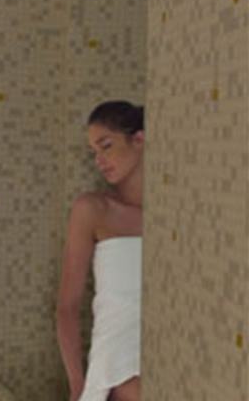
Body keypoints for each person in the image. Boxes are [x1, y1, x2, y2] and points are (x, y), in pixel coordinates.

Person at [56, 101, 145, 401]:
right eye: (94, 152)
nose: (99, 160)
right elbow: (67, 306)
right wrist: (77, 383)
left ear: (139, 140)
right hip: (116, 363)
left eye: (106, 146)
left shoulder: (178, 214)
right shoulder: (94, 209)